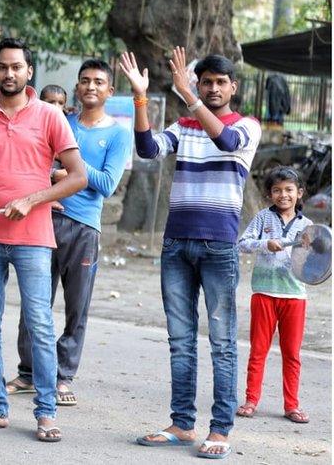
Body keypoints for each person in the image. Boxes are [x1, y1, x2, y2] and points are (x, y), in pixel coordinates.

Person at [121, 47, 262, 459]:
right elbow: (148, 149)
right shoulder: (184, 126)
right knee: (180, 341)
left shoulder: (247, 126)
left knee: (221, 341)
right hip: (176, 244)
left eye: (220, 83)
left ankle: (219, 429)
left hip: (219, 245)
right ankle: (182, 424)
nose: (213, 88)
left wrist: (191, 98)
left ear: (233, 88)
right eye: (206, 82)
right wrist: (141, 97)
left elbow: (227, 139)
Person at [0, 38, 87, 442]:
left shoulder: (49, 115)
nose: (9, 74)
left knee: (40, 325)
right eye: (2, 67)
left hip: (33, 235)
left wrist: (32, 200)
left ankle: (46, 412)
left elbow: (78, 176)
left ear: (29, 72)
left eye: (16, 67)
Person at [8, 60, 133, 406]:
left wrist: (73, 172)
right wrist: (54, 176)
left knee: (76, 306)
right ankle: (29, 371)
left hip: (84, 229)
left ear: (109, 90)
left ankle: (63, 376)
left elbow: (107, 184)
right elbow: (38, 165)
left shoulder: (119, 134)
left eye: (98, 82)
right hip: (45, 219)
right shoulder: (60, 123)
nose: (91, 87)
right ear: (76, 88)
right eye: (84, 81)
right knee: (35, 301)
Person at [236, 167, 312, 424]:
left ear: (299, 193)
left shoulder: (307, 226)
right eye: (277, 190)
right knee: (259, 349)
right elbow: (242, 244)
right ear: (270, 194)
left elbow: (316, 261)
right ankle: (251, 399)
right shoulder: (261, 219)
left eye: (289, 190)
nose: (283, 195)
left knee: (292, 353)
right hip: (264, 294)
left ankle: (292, 405)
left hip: (295, 296)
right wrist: (263, 244)